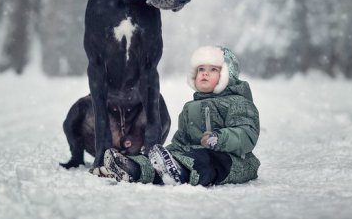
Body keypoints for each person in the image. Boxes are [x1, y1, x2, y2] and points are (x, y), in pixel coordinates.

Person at [101, 46, 260, 186]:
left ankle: (177, 172)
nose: (205, 73)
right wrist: (167, 154)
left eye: (213, 69)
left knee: (205, 159)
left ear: (227, 75)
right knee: (172, 157)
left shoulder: (238, 102)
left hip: (233, 161)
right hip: (192, 156)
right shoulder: (190, 108)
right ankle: (132, 168)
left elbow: (246, 134)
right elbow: (181, 141)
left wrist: (220, 138)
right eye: (201, 69)